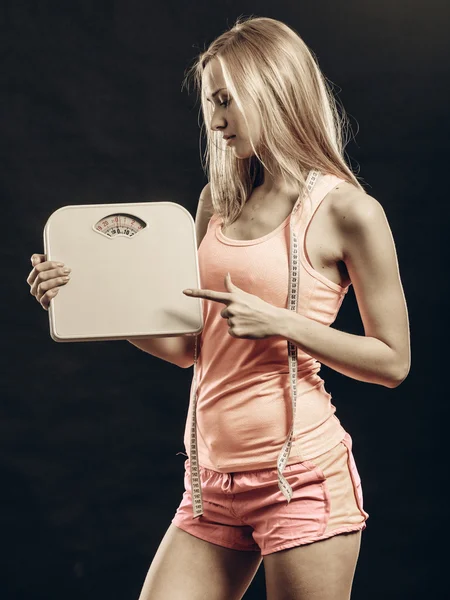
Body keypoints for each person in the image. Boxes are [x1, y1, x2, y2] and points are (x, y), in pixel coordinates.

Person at [27, 16, 410, 600]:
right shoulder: (217, 201)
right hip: (209, 487)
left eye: (228, 100)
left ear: (275, 90)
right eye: (209, 102)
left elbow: (393, 361)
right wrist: (85, 299)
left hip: (299, 477)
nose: (215, 118)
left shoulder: (347, 211)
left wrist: (280, 321)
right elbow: (187, 347)